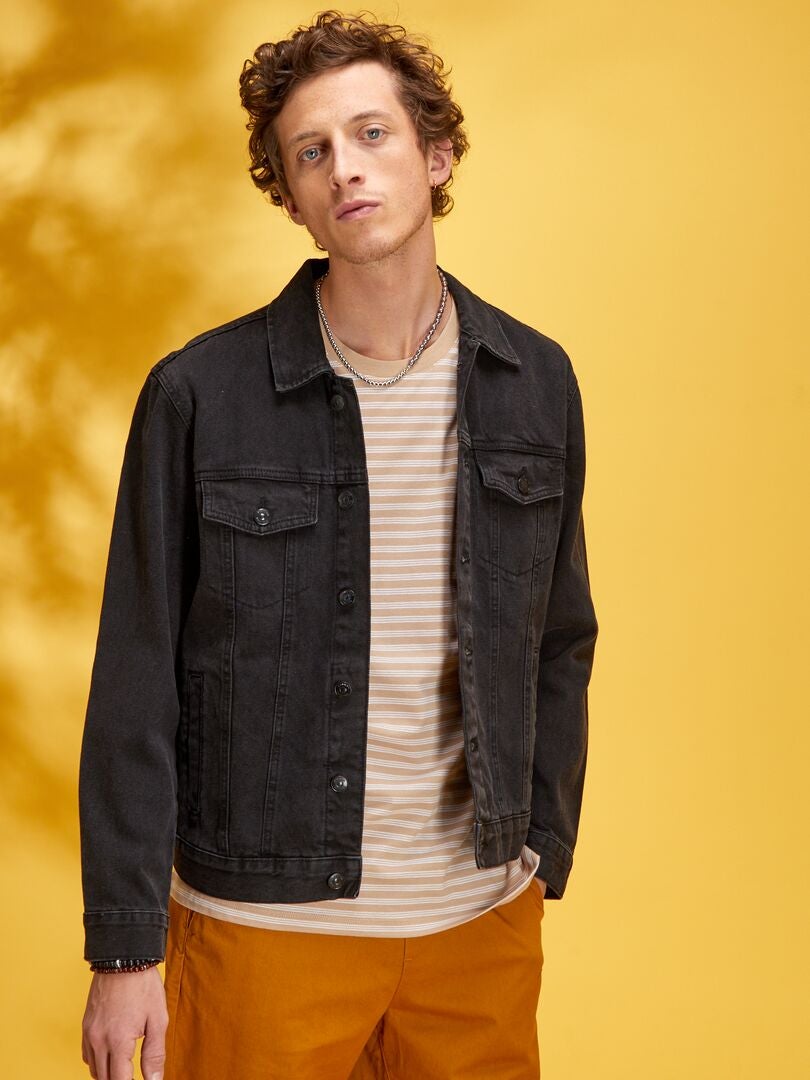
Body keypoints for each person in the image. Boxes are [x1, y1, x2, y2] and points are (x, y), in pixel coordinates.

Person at [79, 10, 598, 1080]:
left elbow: (560, 633)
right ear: (290, 196)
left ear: (435, 155)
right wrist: (125, 947)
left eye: (371, 134)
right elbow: (136, 676)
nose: (345, 169)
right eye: (310, 152)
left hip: (478, 930)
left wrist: (541, 843)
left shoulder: (536, 381)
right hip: (264, 932)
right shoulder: (199, 394)